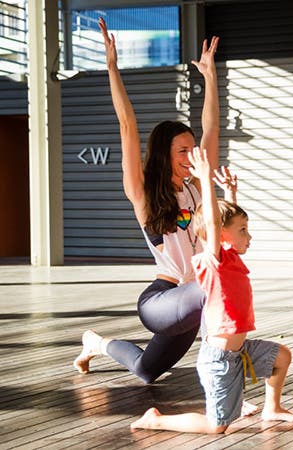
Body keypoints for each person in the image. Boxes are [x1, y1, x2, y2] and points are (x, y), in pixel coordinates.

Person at [72, 18, 221, 384]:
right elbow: (126, 124)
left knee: (146, 371)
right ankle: (223, 379)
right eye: (182, 150)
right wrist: (111, 67)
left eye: (193, 148)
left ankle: (95, 343)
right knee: (216, 285)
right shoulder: (142, 192)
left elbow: (213, 129)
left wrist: (210, 78)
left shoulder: (197, 186)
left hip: (191, 298)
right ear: (163, 154)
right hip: (163, 299)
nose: (192, 154)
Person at [131, 147, 293, 433]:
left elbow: (224, 223)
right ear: (221, 235)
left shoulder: (230, 257)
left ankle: (272, 408)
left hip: (240, 351)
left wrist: (231, 193)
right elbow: (214, 223)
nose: (249, 235)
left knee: (282, 356)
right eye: (243, 230)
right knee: (216, 426)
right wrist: (207, 183)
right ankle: (156, 420)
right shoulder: (213, 261)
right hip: (219, 360)